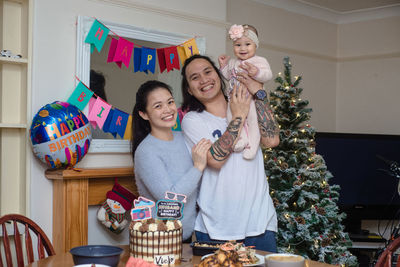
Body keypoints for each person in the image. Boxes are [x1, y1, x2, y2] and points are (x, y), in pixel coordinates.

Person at [180, 55, 280, 252]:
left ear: (219, 74)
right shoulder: (193, 120)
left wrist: (258, 93)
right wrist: (239, 116)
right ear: (189, 89)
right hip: (216, 229)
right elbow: (216, 160)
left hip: (260, 224)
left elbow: (271, 140)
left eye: (208, 72)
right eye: (195, 77)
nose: (204, 80)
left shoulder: (246, 102)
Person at [131, 80, 211, 242]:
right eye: (158, 106)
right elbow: (168, 200)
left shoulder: (185, 137)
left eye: (170, 102)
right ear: (144, 114)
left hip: (186, 236)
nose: (168, 110)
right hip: (157, 238)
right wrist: (197, 167)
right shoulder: (146, 151)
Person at [218, 24, 273, 160]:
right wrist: (223, 66)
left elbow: (267, 75)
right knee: (232, 117)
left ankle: (252, 146)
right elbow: (227, 76)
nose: (242, 48)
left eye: (247, 44)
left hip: (252, 100)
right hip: (234, 99)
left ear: (255, 45)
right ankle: (240, 139)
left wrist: (257, 72)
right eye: (238, 45)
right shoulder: (233, 62)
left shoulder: (259, 61)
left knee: (253, 121)